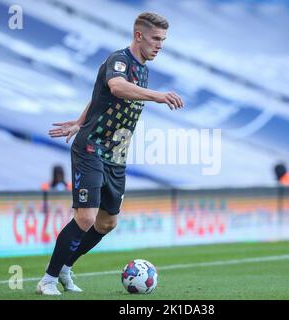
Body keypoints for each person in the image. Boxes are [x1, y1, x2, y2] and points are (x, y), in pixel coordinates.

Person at [36, 12, 184, 295]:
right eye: (156, 38)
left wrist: (80, 118)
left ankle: (66, 268)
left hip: (117, 155)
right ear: (138, 35)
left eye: (163, 40)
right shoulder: (119, 60)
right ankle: (48, 280)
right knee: (86, 217)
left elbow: (99, 94)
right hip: (92, 146)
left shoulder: (143, 68)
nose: (160, 45)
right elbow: (115, 86)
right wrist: (158, 95)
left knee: (106, 222)